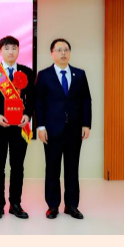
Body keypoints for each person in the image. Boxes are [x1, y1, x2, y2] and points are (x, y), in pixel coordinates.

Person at [35, 38, 92, 219]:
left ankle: (71, 205)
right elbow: (39, 102)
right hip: (52, 130)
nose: (63, 53)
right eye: (59, 50)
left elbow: (86, 100)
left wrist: (86, 124)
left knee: (72, 168)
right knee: (52, 168)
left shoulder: (79, 74)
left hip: (74, 130)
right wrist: (41, 126)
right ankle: (53, 206)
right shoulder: (44, 75)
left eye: (66, 50)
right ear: (52, 53)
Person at [0, 36, 35, 219]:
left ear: (19, 50)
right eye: (7, 48)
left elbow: (32, 99)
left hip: (20, 127)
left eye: (14, 48)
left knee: (17, 166)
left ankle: (15, 203)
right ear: (0, 51)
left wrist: (27, 115)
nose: (11, 51)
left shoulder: (27, 72)